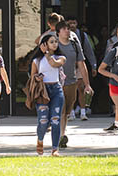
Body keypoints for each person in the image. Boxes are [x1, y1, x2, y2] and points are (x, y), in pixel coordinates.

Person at [56, 20, 93, 148]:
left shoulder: (74, 44)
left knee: (66, 112)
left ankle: (62, 133)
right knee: (60, 110)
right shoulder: (54, 45)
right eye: (65, 29)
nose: (68, 31)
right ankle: (60, 136)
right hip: (56, 83)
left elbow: (81, 65)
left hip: (71, 81)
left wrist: (87, 84)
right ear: (58, 32)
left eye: (68, 29)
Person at [30, 34, 66, 156]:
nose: (55, 44)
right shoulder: (36, 61)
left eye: (56, 41)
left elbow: (54, 64)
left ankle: (55, 149)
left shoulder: (60, 57)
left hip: (56, 90)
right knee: (43, 120)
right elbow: (32, 76)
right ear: (44, 44)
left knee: (56, 119)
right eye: (51, 42)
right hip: (42, 91)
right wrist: (37, 77)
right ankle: (40, 141)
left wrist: (47, 53)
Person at [66, 16, 97, 121]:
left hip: (79, 64)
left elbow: (89, 51)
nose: (72, 25)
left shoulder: (83, 36)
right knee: (70, 89)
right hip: (68, 65)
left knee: (81, 88)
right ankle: (71, 112)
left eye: (74, 23)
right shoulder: (62, 36)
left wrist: (93, 65)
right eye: (69, 23)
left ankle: (83, 112)